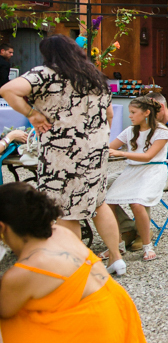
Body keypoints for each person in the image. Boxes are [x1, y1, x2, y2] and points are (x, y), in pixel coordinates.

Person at [0, 182, 162, 343]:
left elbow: (5, 311)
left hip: (91, 341)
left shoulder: (23, 273)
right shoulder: (61, 232)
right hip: (117, 322)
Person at [0, 34, 123, 273]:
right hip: (95, 149)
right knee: (98, 202)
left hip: (63, 151)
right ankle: (116, 258)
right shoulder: (95, 76)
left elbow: (7, 89)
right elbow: (109, 114)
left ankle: (74, 267)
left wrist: (32, 113)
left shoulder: (46, 73)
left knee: (67, 210)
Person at [110, 91, 168, 251]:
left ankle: (142, 233)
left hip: (166, 173)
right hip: (137, 170)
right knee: (102, 186)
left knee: (140, 187)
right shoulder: (138, 128)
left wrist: (164, 168)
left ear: (161, 108)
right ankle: (127, 227)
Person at [103, 97, 168, 263]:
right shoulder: (130, 131)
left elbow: (148, 156)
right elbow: (109, 147)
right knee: (107, 203)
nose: (130, 116)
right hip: (132, 170)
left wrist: (122, 153)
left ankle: (147, 245)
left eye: (133, 112)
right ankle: (117, 243)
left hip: (153, 170)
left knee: (137, 202)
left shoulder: (162, 131)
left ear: (146, 113)